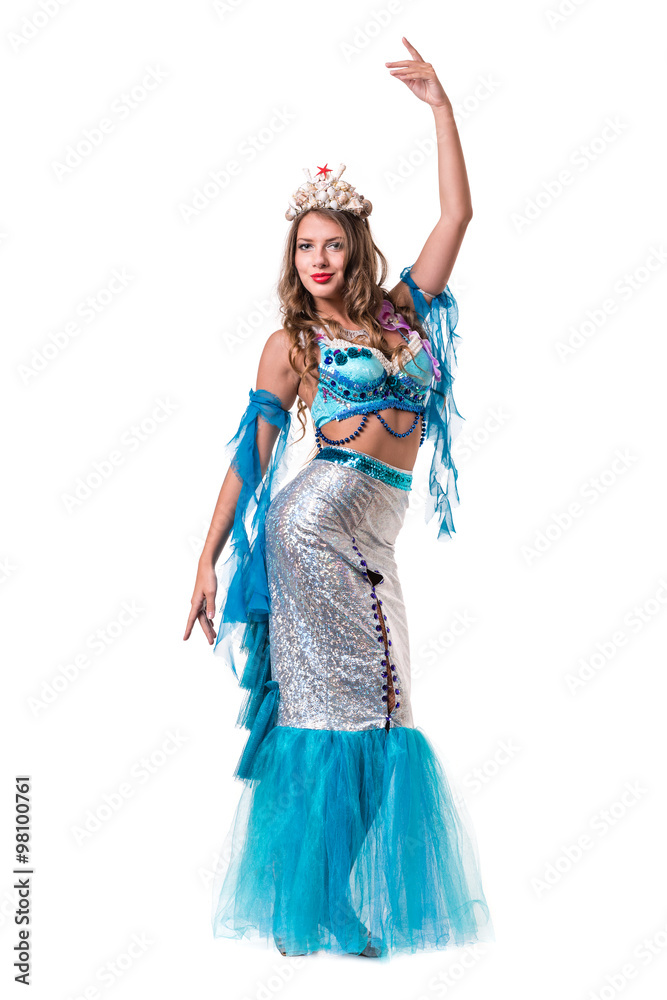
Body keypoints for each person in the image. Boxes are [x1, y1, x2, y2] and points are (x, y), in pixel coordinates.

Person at [184, 38, 495, 960]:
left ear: (354, 246)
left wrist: (441, 108)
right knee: (349, 712)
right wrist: (204, 558)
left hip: (375, 540)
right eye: (303, 247)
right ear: (293, 258)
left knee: (380, 714)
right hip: (314, 530)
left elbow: (457, 215)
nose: (317, 259)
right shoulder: (293, 343)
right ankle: (318, 904)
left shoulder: (400, 312)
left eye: (330, 244)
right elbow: (251, 458)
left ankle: (319, 898)